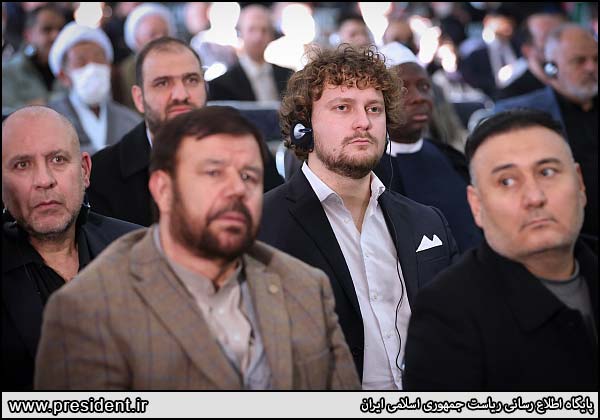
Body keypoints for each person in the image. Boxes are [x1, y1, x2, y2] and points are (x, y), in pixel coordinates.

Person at [34, 106, 361, 390]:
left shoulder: (305, 287)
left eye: (249, 176)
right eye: (213, 173)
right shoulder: (88, 312)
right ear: (163, 189)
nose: (237, 189)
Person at [258, 45, 459, 390]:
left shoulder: (426, 222)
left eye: (374, 109)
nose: (363, 122)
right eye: (343, 107)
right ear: (304, 126)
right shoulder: (261, 225)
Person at [404, 109, 597, 390]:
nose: (534, 197)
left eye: (547, 172)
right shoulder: (447, 314)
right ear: (476, 204)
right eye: (507, 181)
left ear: (580, 183)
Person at [2, 106, 140, 390]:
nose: (44, 180)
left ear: (85, 170)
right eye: (22, 165)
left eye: (58, 159)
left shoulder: (138, 249)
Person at [87, 37, 282, 227]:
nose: (181, 95)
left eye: (191, 80)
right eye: (163, 83)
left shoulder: (248, 152)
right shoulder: (103, 175)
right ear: (139, 98)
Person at [494, 24, 597, 252]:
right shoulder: (520, 115)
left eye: (596, 59)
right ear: (551, 68)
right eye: (579, 61)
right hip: (568, 244)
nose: (591, 68)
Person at [375, 42, 482, 253]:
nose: (419, 98)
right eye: (402, 90)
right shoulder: (371, 174)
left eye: (424, 87)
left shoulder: (449, 157)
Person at [47, 21, 141, 155]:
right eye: (81, 62)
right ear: (63, 76)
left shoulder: (131, 122)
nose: (92, 69)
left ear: (109, 67)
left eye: (99, 59)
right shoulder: (49, 120)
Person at [207, 4, 293, 102]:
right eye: (252, 30)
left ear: (272, 36)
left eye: (264, 30)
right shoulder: (222, 84)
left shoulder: (289, 77)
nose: (258, 37)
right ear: (241, 33)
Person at [2, 4, 66, 113]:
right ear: (28, 35)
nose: (55, 36)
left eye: (60, 30)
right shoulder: (8, 71)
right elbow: (7, 112)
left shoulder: (70, 69)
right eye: (47, 29)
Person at [117, 3, 176, 111]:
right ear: (136, 39)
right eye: (152, 35)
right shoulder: (127, 70)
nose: (160, 39)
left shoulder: (179, 61)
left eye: (165, 33)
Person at [497, 11, 565, 100]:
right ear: (527, 50)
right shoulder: (513, 95)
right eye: (547, 39)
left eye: (560, 36)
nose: (561, 45)